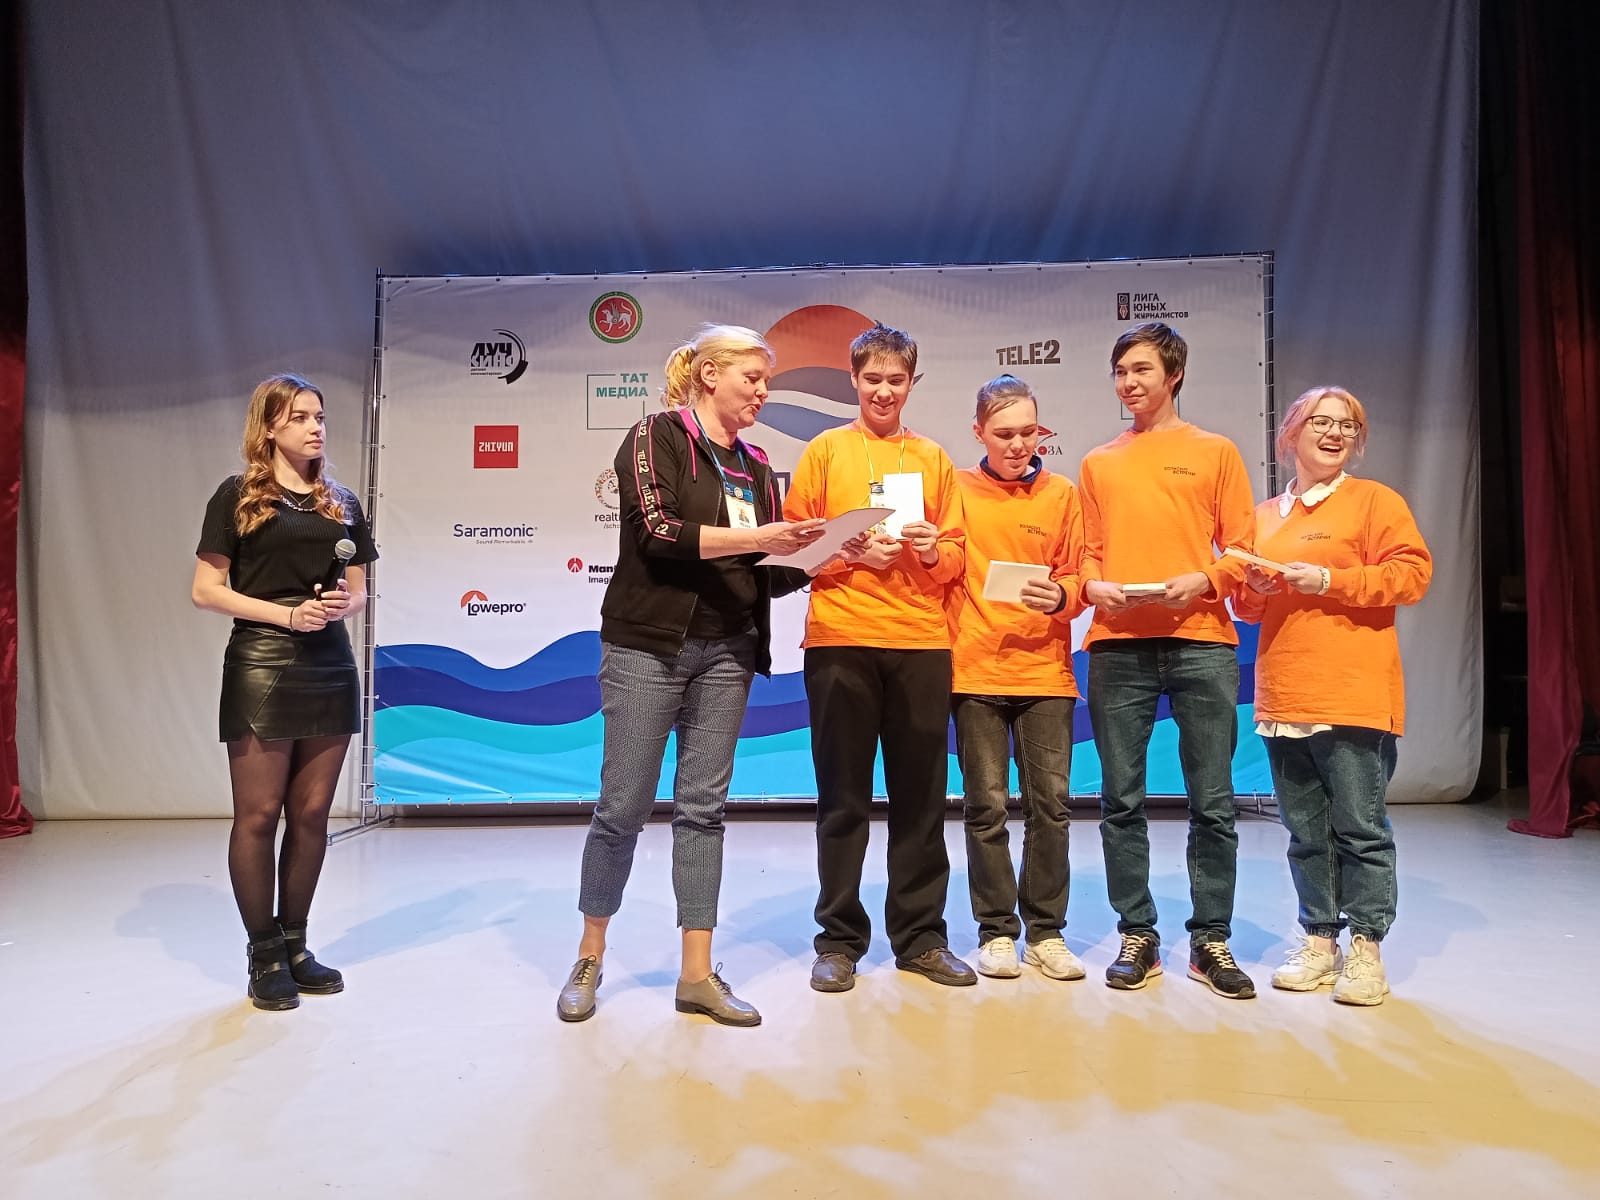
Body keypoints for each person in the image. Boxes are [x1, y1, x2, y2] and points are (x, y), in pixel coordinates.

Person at [557, 324, 830, 1027]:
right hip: (648, 649)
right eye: (752, 378)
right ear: (710, 375)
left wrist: (828, 553)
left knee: (703, 812)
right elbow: (658, 531)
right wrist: (760, 537)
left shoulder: (757, 465)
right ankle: (589, 955)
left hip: (728, 652)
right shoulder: (657, 435)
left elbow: (765, 573)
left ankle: (697, 975)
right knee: (622, 807)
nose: (763, 391)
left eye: (766, 380)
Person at [783, 322, 974, 992]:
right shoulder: (825, 452)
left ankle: (921, 938)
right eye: (872, 379)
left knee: (921, 800)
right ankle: (838, 940)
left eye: (896, 380)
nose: (884, 391)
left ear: (911, 383)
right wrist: (849, 552)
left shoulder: (933, 458)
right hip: (841, 639)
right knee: (843, 798)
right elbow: (794, 550)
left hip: (920, 641)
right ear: (854, 381)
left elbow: (957, 557)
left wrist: (929, 551)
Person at [1078, 321, 1259, 998]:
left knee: (1212, 801)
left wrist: (1205, 580)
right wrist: (1091, 586)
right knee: (1120, 799)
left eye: (1142, 369)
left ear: (1174, 374)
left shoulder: (1216, 452)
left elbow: (1242, 548)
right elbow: (1087, 551)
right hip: (1118, 645)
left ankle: (1211, 939)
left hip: (1202, 641)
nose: (1129, 382)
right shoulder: (1099, 462)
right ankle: (1138, 933)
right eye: (1120, 371)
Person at [1235, 386, 1432, 1005]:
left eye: (1347, 425)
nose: (1334, 433)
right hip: (1284, 692)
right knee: (1305, 832)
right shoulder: (1264, 517)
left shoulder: (1375, 502)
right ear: (1290, 434)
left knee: (1360, 829)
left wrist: (1328, 579)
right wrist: (1257, 586)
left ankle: (1366, 949)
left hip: (1353, 691)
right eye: (1321, 422)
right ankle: (1320, 941)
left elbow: (1413, 575)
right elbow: (1246, 607)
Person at [192, 373, 376, 1011]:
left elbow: (359, 592)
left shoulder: (341, 502)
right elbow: (206, 590)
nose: (315, 427)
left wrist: (339, 606)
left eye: (319, 416)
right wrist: (286, 616)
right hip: (262, 662)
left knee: (312, 814)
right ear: (269, 427)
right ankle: (263, 953)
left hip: (329, 664)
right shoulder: (238, 496)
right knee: (259, 814)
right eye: (299, 417)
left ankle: (296, 945)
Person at [949, 375, 1088, 981]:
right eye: (1005, 434)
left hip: (1046, 673)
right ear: (979, 432)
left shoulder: (1062, 493)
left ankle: (1047, 933)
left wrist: (1063, 595)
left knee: (1050, 807)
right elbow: (942, 562)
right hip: (975, 669)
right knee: (985, 807)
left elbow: (1079, 573)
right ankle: (997, 931)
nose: (1018, 444)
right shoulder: (955, 489)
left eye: (1029, 432)